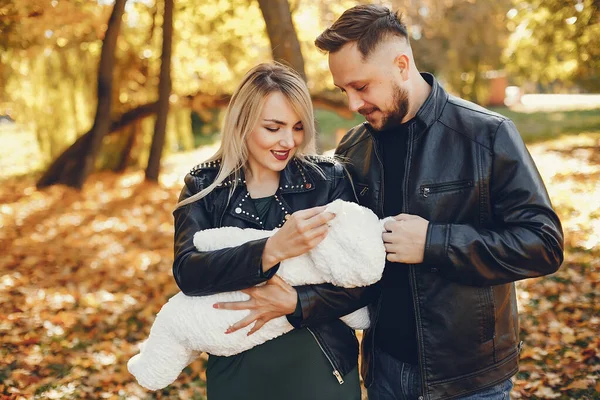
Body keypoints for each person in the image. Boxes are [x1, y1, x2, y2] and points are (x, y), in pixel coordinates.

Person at [315, 5, 564, 400]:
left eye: (361, 87)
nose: (352, 104)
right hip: (383, 373)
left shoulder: (488, 135)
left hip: (469, 380)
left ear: (401, 65)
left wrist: (434, 242)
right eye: (343, 90)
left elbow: (543, 245)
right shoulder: (353, 148)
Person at [172, 62, 371, 400]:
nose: (288, 141)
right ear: (242, 123)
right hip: (237, 375)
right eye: (273, 127)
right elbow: (188, 274)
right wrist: (270, 250)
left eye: (296, 127)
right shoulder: (205, 186)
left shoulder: (328, 180)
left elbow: (364, 279)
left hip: (321, 372)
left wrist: (296, 302)